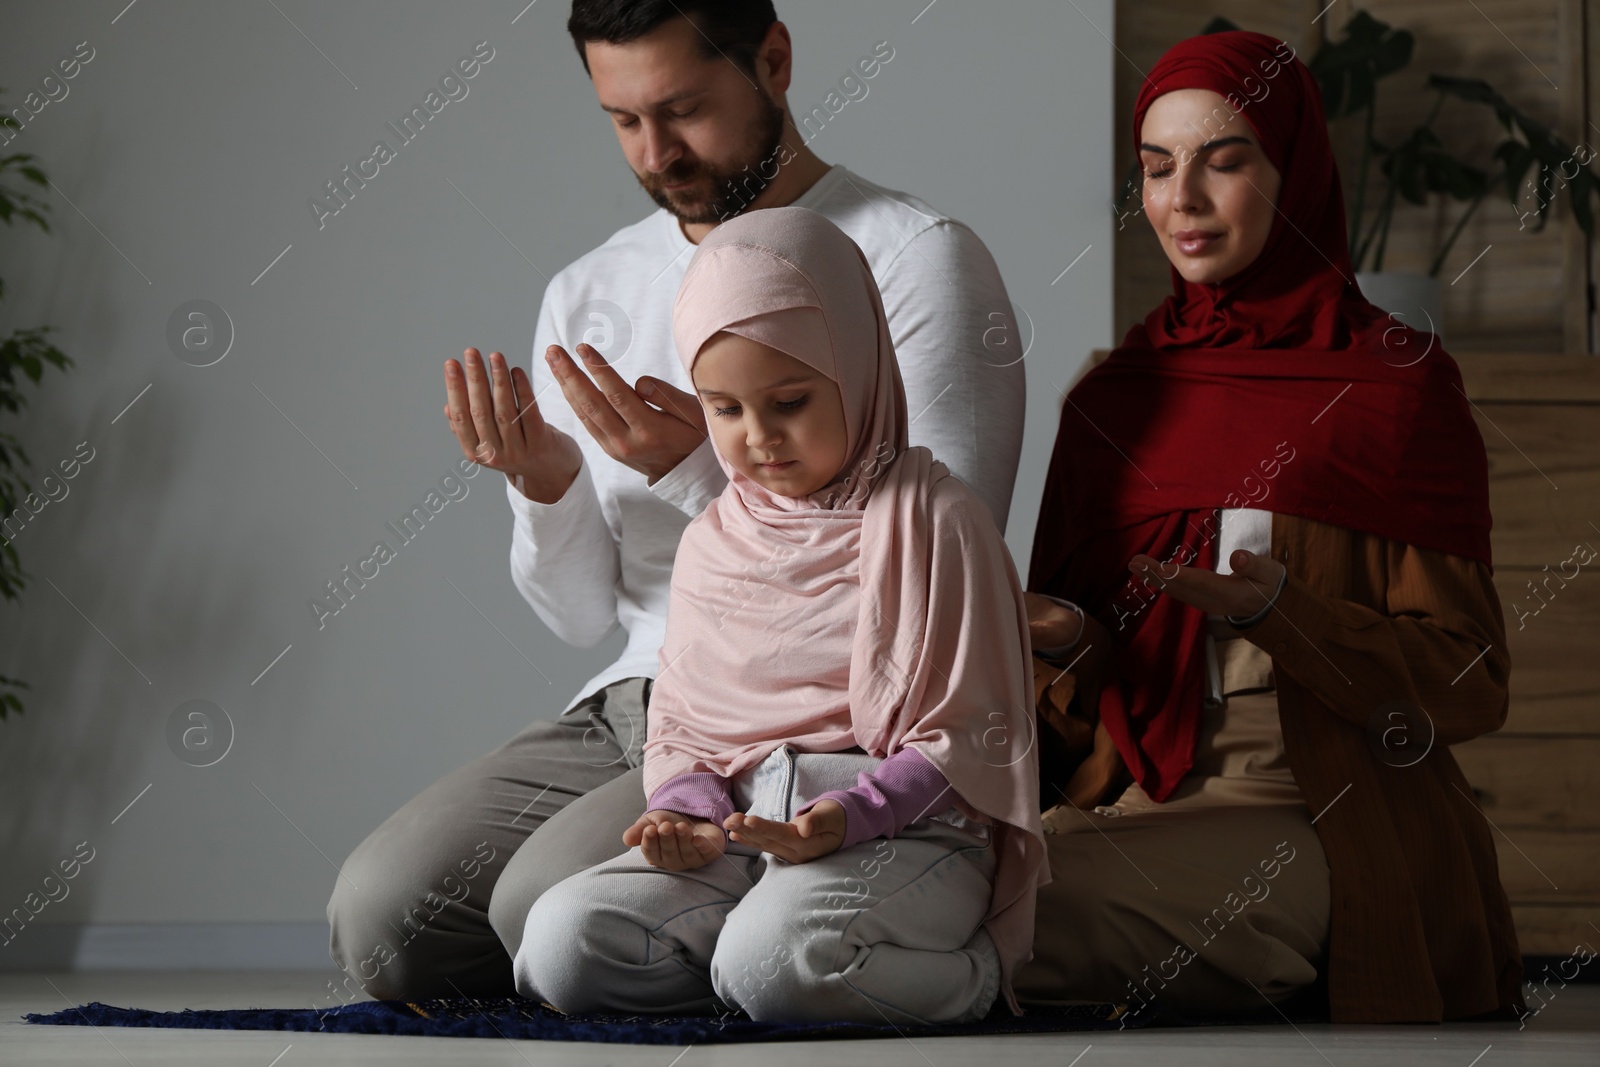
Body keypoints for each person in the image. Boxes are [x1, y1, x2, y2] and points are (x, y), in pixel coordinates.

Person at [326, 0, 1025, 1001]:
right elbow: (575, 617)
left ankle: (784, 949)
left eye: (683, 108)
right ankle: (695, 952)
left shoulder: (914, 257)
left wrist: (697, 473)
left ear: (773, 60)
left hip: (816, 709)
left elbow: (936, 573)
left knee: (538, 907)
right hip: (637, 695)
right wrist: (547, 486)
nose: (657, 154)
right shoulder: (592, 289)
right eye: (622, 120)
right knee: (381, 921)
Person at [1014, 30, 1524, 1025]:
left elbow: (1468, 679)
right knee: (922, 872)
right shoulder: (1112, 402)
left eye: (1225, 160)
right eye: (1156, 169)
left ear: (1293, 168)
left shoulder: (1393, 388)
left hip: (1319, 807)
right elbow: (1075, 706)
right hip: (1118, 799)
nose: (1181, 201)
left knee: (1010, 910)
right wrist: (1066, 639)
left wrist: (1285, 614)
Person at [511, 205, 1047, 1024]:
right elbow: (685, 730)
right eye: (723, 409)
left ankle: (968, 971)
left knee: (776, 964)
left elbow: (974, 736)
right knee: (560, 943)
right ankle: (770, 965)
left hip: (903, 830)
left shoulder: (936, 518)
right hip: (746, 830)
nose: (758, 437)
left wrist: (853, 813)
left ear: (857, 366)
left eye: (790, 400)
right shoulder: (717, 536)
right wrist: (687, 811)